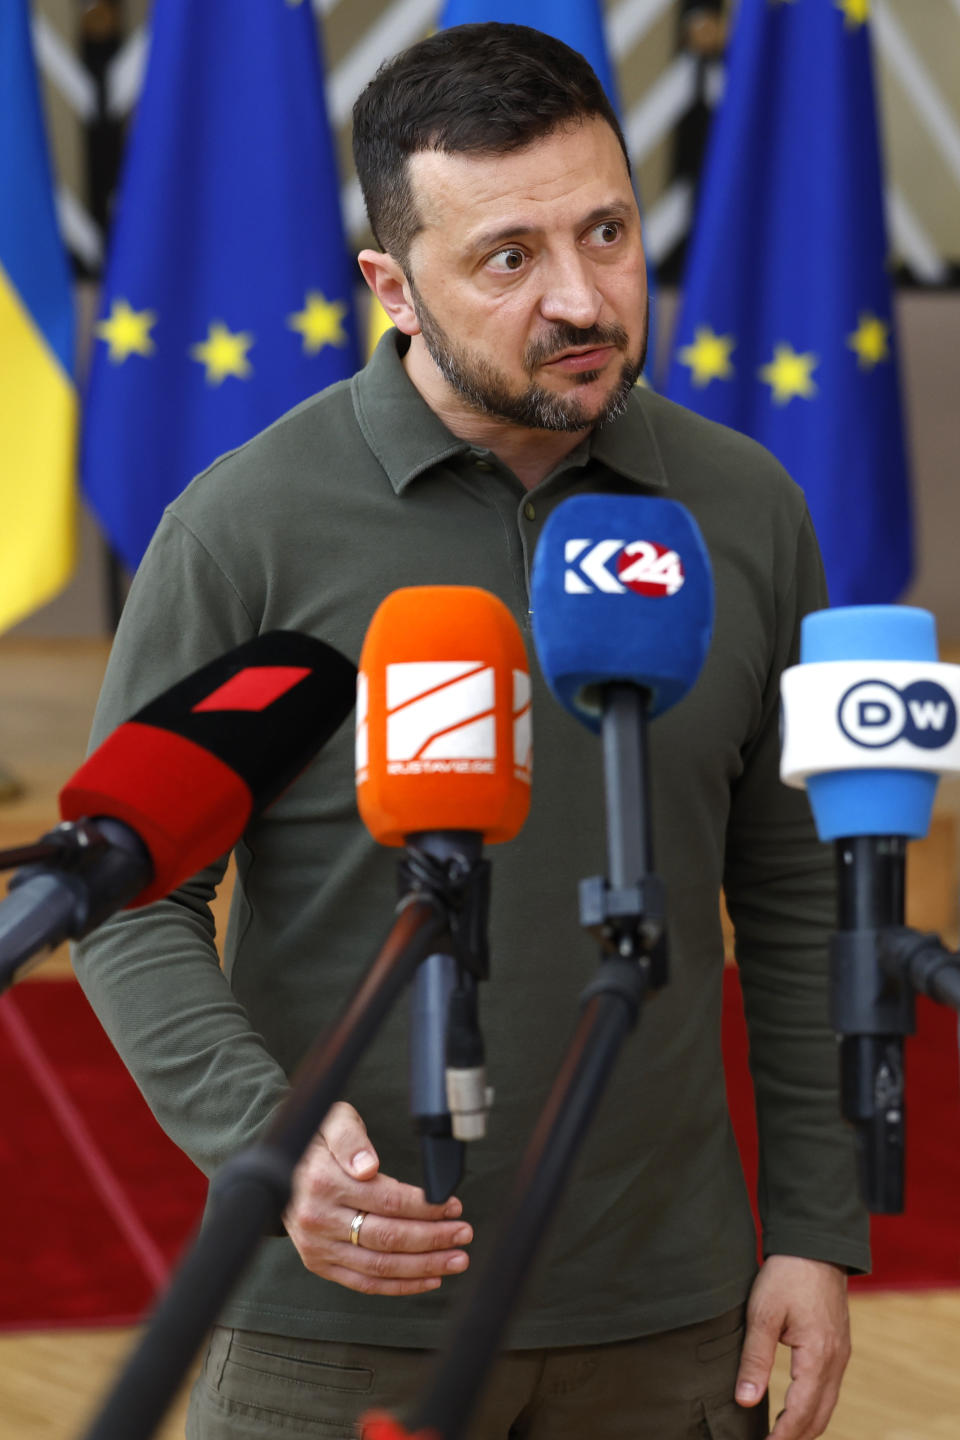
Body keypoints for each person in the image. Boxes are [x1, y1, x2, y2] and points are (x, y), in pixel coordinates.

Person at [74, 24, 868, 1440]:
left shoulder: (746, 513)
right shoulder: (244, 530)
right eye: (510, 258)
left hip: (673, 1322)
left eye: (609, 232)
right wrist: (272, 1145)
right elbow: (136, 904)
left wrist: (815, 1226)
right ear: (392, 286)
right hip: (334, 1325)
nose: (584, 296)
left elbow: (802, 895)